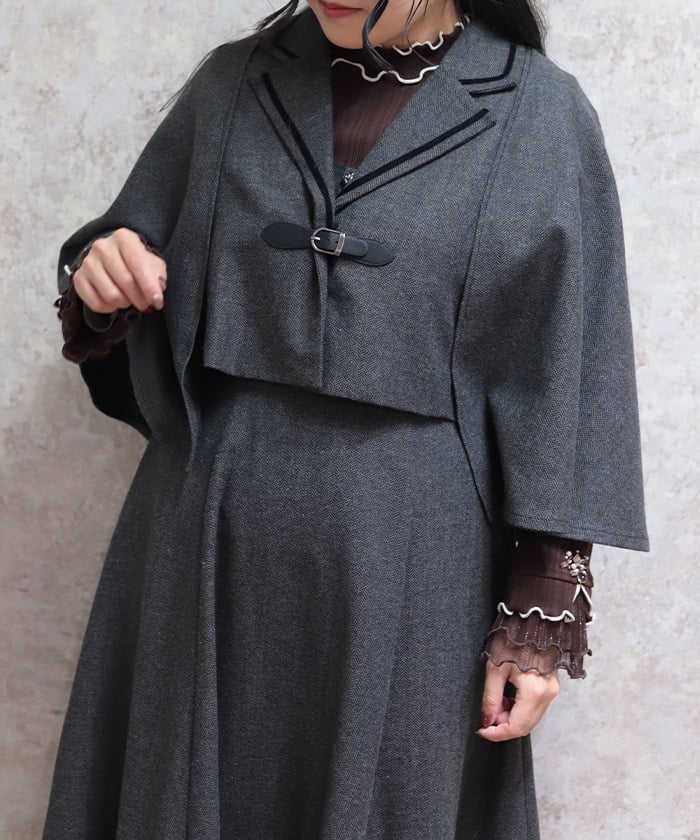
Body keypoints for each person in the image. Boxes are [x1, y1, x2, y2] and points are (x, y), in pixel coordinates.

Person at [43, 1, 650, 838]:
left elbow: (570, 370)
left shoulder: (542, 115)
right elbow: (128, 261)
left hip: (414, 566)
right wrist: (104, 272)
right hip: (203, 544)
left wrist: (537, 617)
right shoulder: (234, 82)